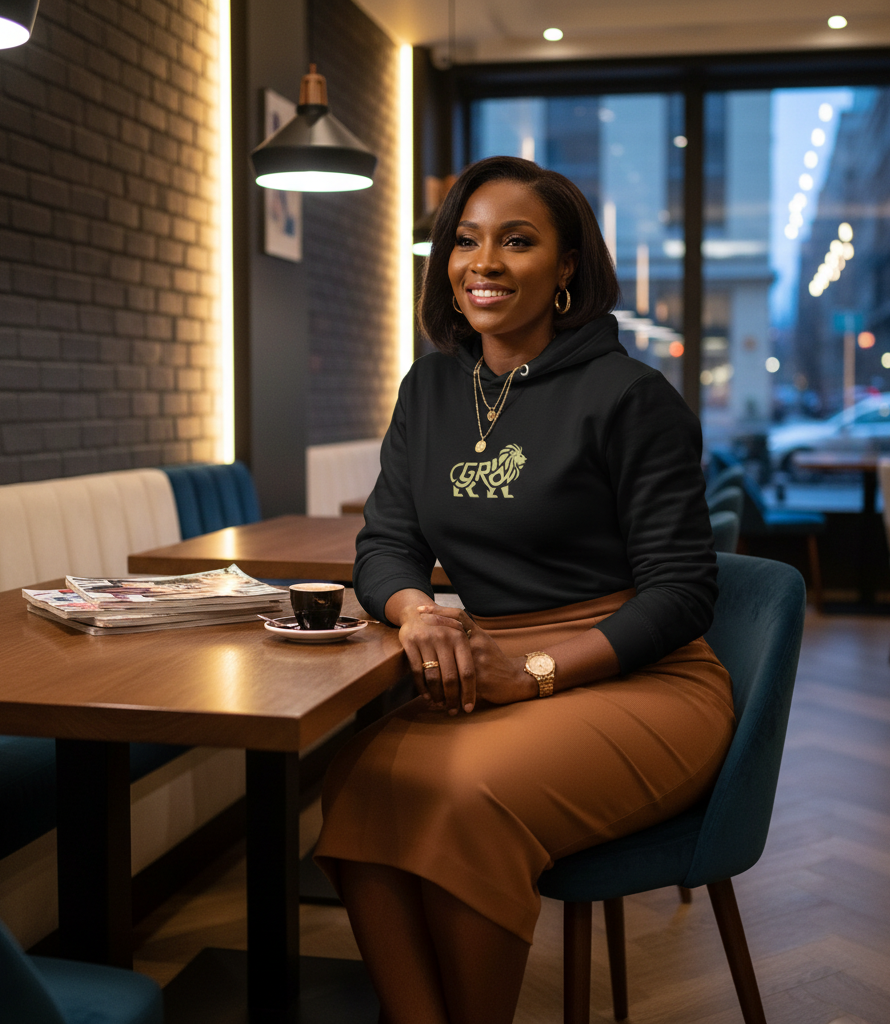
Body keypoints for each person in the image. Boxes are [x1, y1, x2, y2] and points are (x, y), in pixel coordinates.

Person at [315, 156, 735, 1024]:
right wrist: (417, 610)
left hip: (641, 679)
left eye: (517, 240)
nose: (484, 263)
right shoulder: (429, 389)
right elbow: (385, 543)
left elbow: (683, 593)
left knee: (464, 793)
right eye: (465, 241)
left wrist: (534, 670)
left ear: (567, 265)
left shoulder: (632, 397)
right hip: (493, 663)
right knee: (353, 779)